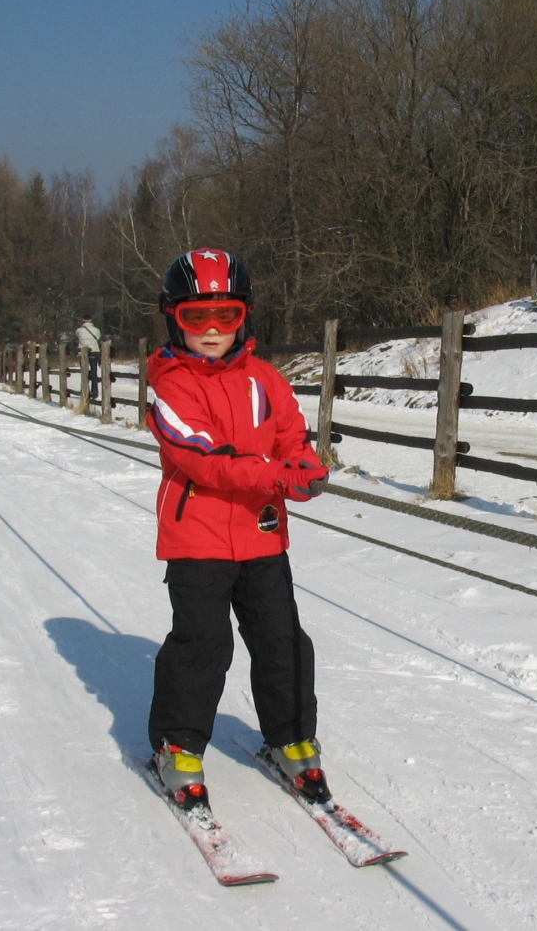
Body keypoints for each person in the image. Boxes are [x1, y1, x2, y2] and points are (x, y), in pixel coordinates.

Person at [145, 248, 331, 811]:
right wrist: (275, 475)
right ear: (172, 317)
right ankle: (178, 746)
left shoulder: (265, 379)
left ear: (243, 316)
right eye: (194, 318)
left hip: (262, 534)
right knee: (204, 644)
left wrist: (304, 464)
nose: (211, 331)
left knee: (282, 640)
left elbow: (289, 435)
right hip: (197, 539)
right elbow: (204, 456)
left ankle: (291, 737)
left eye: (224, 317)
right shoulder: (169, 386)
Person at [74, 314, 102, 401]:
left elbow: (77, 336)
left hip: (84, 354)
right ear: (91, 320)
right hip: (95, 352)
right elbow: (99, 337)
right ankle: (95, 391)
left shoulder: (79, 331)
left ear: (83, 320)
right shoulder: (97, 330)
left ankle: (85, 391)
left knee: (84, 372)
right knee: (94, 372)